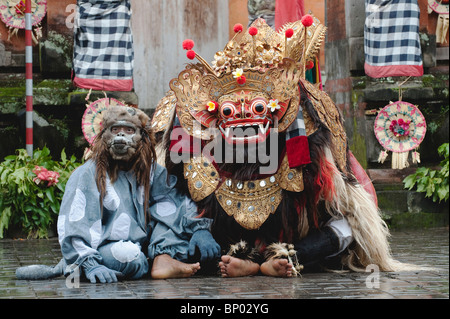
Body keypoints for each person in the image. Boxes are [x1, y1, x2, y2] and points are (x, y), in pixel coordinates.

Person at [152, 18, 404, 278]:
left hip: (295, 230)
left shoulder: (307, 119)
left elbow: (347, 207)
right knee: (172, 222)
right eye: (230, 111)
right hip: (220, 230)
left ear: (280, 109)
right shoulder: (189, 122)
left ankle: (291, 257)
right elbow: (173, 190)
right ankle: (241, 259)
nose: (244, 119)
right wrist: (199, 228)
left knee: (351, 226)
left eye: (258, 108)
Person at [16, 105, 220, 283]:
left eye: (129, 130)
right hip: (106, 249)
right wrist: (88, 263)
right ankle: (75, 265)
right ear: (104, 136)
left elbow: (175, 202)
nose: (121, 136)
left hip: (144, 244)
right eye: (115, 130)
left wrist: (199, 229)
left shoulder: (151, 173)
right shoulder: (88, 174)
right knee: (129, 256)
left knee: (185, 242)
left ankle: (161, 260)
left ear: (141, 137)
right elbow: (75, 225)